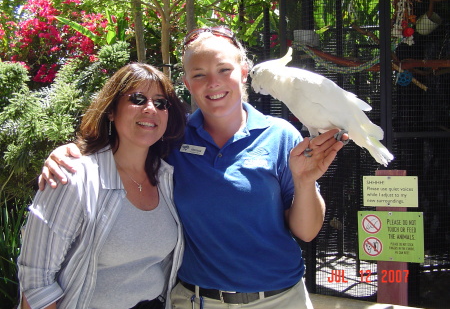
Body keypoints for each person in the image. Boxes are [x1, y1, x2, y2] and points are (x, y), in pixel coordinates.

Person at [39, 26, 348, 309]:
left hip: (280, 299)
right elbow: (124, 146)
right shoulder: (170, 136)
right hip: (197, 300)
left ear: (243, 72)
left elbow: (306, 233)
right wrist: (72, 151)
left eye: (224, 70)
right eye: (198, 74)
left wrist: (305, 182)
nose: (213, 83)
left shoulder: (281, 136)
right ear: (186, 82)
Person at [18, 63, 186, 309]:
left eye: (161, 103)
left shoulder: (166, 177)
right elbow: (36, 280)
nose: (151, 108)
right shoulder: (74, 177)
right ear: (111, 111)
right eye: (137, 99)